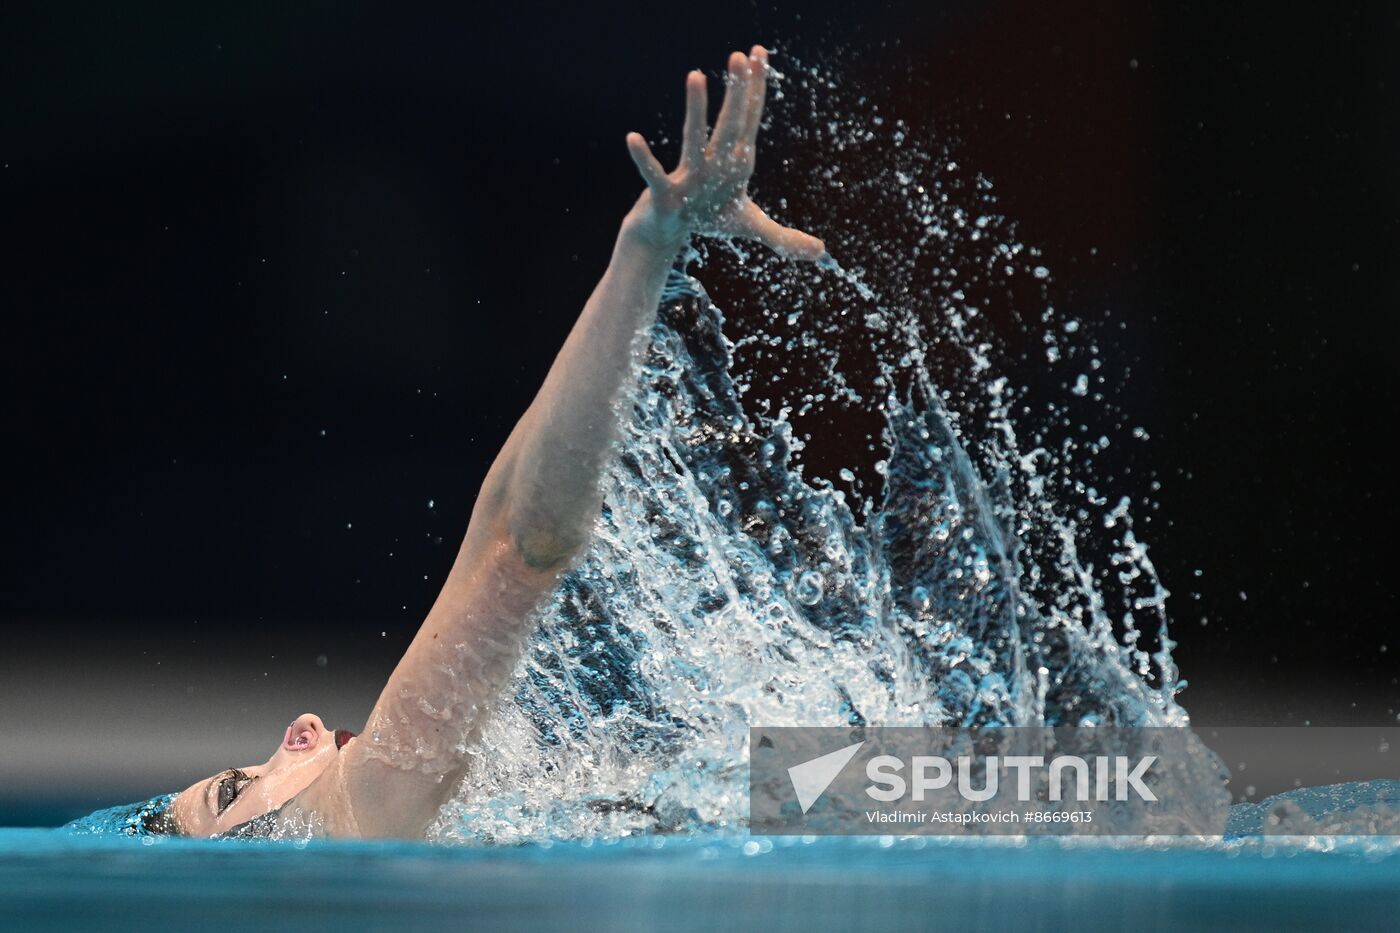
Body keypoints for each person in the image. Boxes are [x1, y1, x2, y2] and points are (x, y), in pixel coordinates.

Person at [146, 45, 824, 839]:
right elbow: (517, 547)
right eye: (235, 790)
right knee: (986, 788)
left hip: (814, 809)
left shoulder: (419, 829)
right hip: (842, 809)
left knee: (971, 787)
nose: (297, 727)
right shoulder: (362, 805)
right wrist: (643, 250)